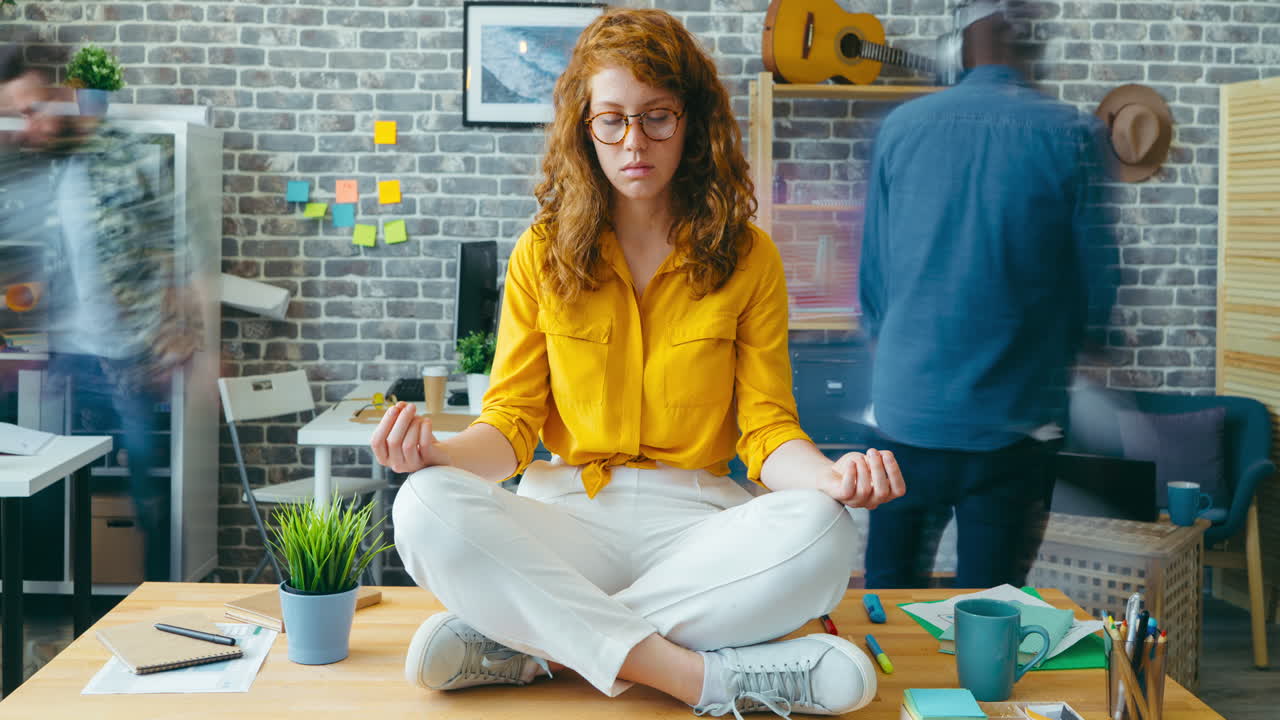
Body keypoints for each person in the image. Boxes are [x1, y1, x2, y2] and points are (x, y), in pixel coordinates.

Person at [371, 9, 905, 718]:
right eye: (612, 120)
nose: (635, 143)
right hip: (567, 516)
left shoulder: (749, 257)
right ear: (583, 126)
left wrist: (832, 478)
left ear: (694, 121)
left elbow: (767, 430)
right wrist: (437, 452)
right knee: (424, 506)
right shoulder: (541, 252)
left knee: (824, 532)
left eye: (657, 117)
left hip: (701, 523)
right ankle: (710, 681)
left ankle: (529, 645)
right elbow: (511, 424)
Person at [857, 4, 1112, 589]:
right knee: (992, 610)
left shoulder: (901, 127)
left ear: (961, 49)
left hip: (907, 417)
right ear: (1028, 48)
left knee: (889, 600)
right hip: (1014, 424)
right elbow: (1095, 287)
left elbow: (874, 283)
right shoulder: (1071, 133)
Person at [0, 45, 203, 581]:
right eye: (16, 117)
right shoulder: (35, 166)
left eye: (33, 110)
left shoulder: (129, 153)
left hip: (129, 357)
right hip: (64, 358)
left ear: (63, 98)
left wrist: (184, 332)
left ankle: (156, 604)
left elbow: (177, 250)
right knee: (50, 495)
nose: (29, 125)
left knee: (144, 499)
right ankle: (66, 612)